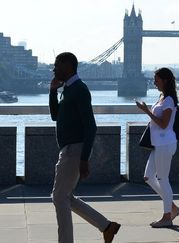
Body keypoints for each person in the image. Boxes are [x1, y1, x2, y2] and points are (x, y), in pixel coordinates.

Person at [49, 52, 120, 243]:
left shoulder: (80, 90)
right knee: (65, 196)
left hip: (74, 150)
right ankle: (107, 226)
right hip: (68, 149)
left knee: (59, 197)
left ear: (69, 67)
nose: (54, 69)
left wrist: (84, 159)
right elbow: (55, 116)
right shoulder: (68, 90)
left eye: (57, 65)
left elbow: (91, 126)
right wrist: (52, 91)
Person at [135, 67, 179, 228]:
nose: (154, 82)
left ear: (165, 80)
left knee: (163, 179)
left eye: (157, 79)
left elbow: (163, 124)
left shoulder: (169, 100)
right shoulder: (162, 97)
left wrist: (146, 111)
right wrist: (148, 110)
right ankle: (173, 207)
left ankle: (167, 216)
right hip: (158, 144)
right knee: (148, 177)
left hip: (165, 143)